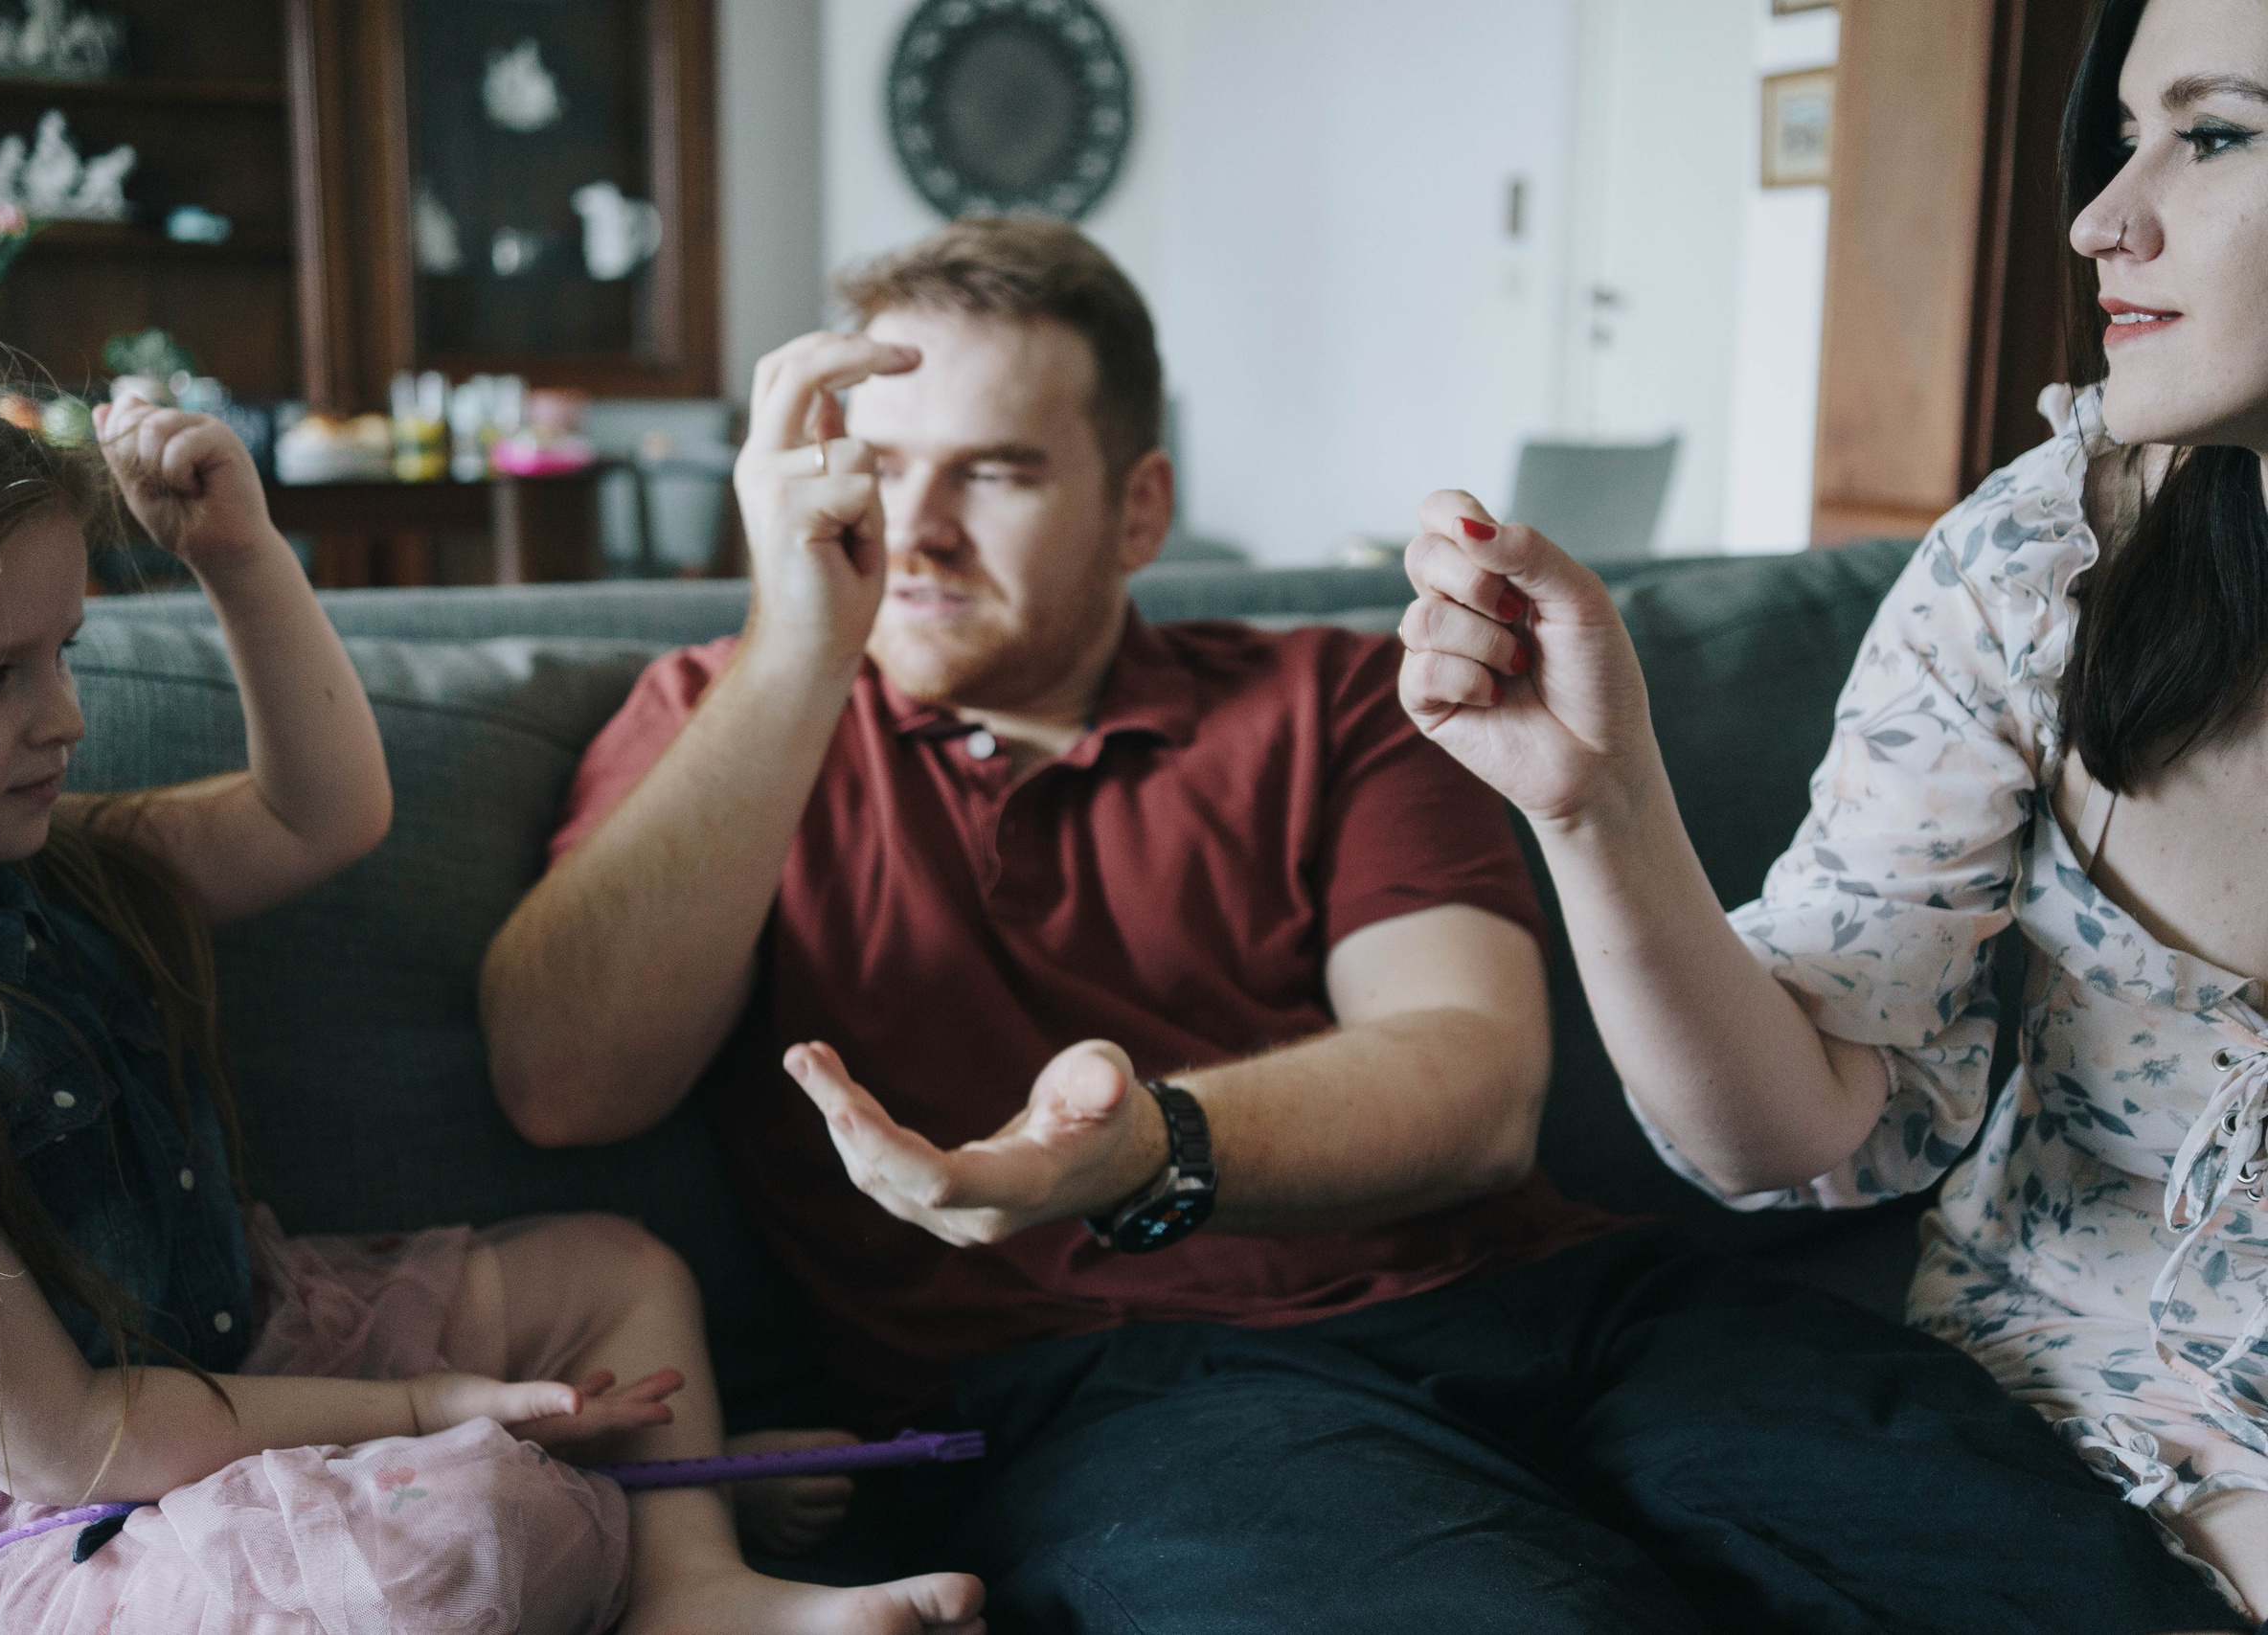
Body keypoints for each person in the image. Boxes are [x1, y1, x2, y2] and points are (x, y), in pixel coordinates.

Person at [481, 215, 2230, 1631]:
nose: (916, 527)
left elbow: (1469, 1084)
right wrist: (800, 646)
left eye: (997, 472)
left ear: (1137, 508)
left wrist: (1150, 1146)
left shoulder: (1333, 698)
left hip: (1567, 1305)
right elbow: (568, 1082)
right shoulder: (719, 716)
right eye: (877, 466)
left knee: (2056, 1592)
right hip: (1113, 1386)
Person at [0, 367, 984, 1635]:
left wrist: (242, 556)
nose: (66, 716)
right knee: (438, 1556)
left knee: (621, 1274)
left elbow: (319, 814)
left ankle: (692, 1585)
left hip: (230, 1363)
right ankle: (568, 1482)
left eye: (65, 654)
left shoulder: (59, 866)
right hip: (29, 1507)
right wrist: (432, 1410)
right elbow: (73, 1443)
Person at [1396, 0, 2268, 1623]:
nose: (2100, 217)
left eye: (2214, 134)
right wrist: (1597, 805)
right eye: (2131, 129)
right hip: (2053, 1449)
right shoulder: (2032, 571)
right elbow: (1790, 1123)